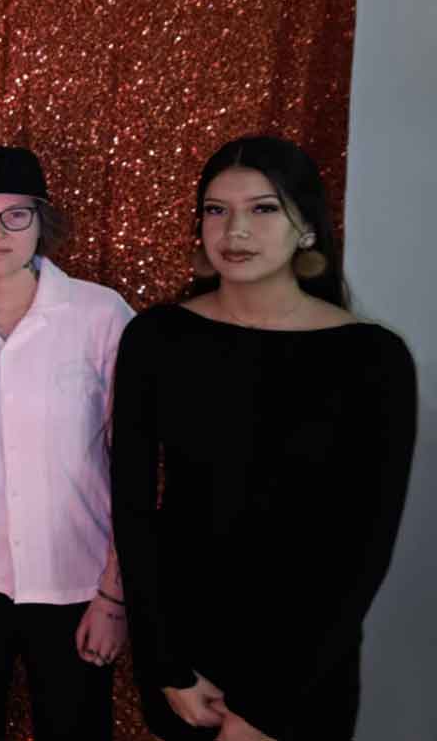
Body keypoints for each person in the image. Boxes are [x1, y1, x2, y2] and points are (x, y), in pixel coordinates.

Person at [110, 135, 417, 741]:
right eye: (216, 210)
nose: (235, 231)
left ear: (306, 226)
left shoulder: (373, 359)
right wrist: (166, 663)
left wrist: (267, 705)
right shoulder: (157, 338)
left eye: (263, 208)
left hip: (306, 665)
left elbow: (365, 544)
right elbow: (135, 508)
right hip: (187, 663)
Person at [0, 145, 133, 741]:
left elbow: (133, 464)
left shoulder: (100, 315)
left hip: (79, 582)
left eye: (15, 214)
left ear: (41, 220)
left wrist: (114, 595)